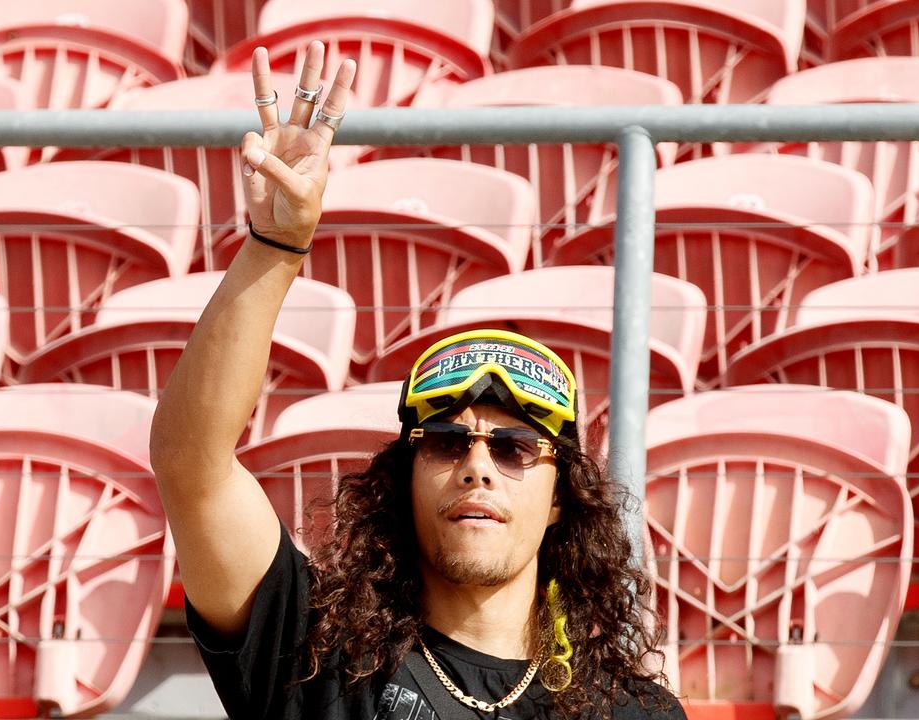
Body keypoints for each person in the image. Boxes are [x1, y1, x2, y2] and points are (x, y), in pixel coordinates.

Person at [149, 40, 687, 720]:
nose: (478, 467)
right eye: (446, 443)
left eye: (515, 447)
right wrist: (274, 247)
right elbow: (191, 465)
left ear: (561, 497)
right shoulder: (316, 652)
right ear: (405, 478)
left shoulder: (632, 711)